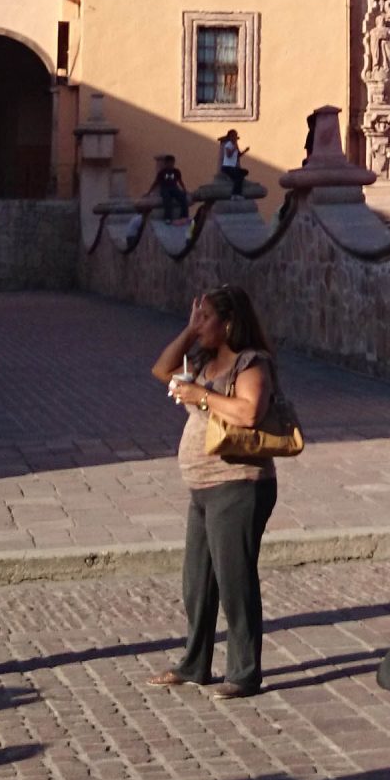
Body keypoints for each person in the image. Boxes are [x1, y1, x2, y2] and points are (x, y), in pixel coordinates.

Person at [149, 287, 281, 697]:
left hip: (239, 484)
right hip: (203, 486)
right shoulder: (204, 359)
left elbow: (249, 411)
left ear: (228, 322)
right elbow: (161, 370)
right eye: (198, 315)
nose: (200, 322)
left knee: (235, 580)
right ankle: (194, 664)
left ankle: (243, 672)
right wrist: (189, 332)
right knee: (197, 581)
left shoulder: (250, 363)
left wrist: (201, 397)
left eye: (205, 317)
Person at [157, 156, 189, 222]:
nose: (170, 165)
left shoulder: (176, 171)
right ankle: (167, 217)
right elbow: (156, 183)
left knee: (183, 197)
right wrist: (148, 192)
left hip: (174, 188)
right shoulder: (162, 172)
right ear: (165, 163)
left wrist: (184, 189)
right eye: (169, 163)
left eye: (172, 163)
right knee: (167, 199)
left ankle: (184, 216)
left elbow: (180, 181)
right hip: (165, 188)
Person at [217, 130, 247, 195]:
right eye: (234, 136)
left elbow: (238, 155)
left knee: (244, 172)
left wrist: (245, 151)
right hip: (227, 167)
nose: (235, 138)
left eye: (236, 135)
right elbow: (228, 155)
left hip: (233, 166)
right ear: (230, 137)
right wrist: (234, 148)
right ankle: (235, 194)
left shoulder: (235, 144)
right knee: (238, 177)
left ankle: (236, 191)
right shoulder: (227, 144)